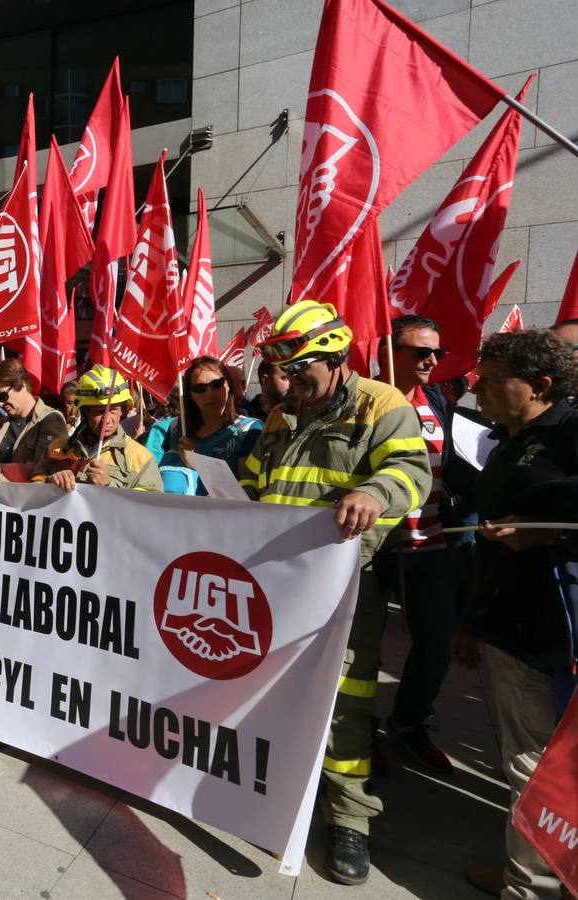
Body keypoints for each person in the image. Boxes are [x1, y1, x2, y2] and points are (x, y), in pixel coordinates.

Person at [240, 300, 430, 885]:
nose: (292, 386)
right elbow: (251, 483)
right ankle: (278, 794)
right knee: (272, 690)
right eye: (285, 373)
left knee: (345, 700)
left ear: (335, 357)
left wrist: (376, 493)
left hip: (343, 586)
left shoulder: (382, 405)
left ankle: (350, 820)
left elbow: (411, 473)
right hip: (275, 584)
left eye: (301, 372)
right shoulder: (280, 417)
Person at [454, 329, 578, 900]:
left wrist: (546, 534)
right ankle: (524, 865)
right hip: (505, 623)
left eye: (490, 379)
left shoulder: (570, 429)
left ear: (540, 386)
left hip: (550, 631)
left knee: (535, 767)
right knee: (523, 762)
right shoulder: (509, 440)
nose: (476, 389)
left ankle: (531, 888)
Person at [373, 315, 458, 774]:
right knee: (363, 646)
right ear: (391, 351)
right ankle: (359, 732)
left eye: (436, 353)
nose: (430, 360)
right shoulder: (367, 400)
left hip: (430, 544)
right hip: (377, 547)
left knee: (435, 642)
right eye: (420, 351)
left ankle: (408, 721)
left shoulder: (438, 400)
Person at [145, 356, 261, 495]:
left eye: (217, 384)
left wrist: (199, 463)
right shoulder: (176, 428)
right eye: (200, 388)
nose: (210, 393)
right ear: (190, 394)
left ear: (228, 385)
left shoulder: (249, 429)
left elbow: (246, 493)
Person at [37, 366, 163, 493]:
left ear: (123, 412)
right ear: (84, 412)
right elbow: (30, 489)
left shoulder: (140, 457)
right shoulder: (55, 448)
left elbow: (149, 507)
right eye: (98, 411)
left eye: (113, 410)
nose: (107, 419)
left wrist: (109, 486)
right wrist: (51, 482)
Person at [0, 358, 68, 484]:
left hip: (29, 501)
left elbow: (45, 468)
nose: (0, 403)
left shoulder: (51, 419)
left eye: (2, 396)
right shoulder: (2, 424)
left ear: (21, 384)